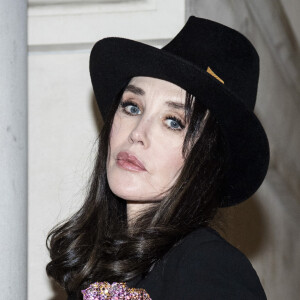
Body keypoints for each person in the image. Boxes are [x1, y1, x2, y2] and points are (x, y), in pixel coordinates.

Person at [46, 16, 270, 299]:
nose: (138, 133)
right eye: (132, 107)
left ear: (207, 160)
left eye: (173, 121)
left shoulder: (208, 266)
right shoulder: (95, 271)